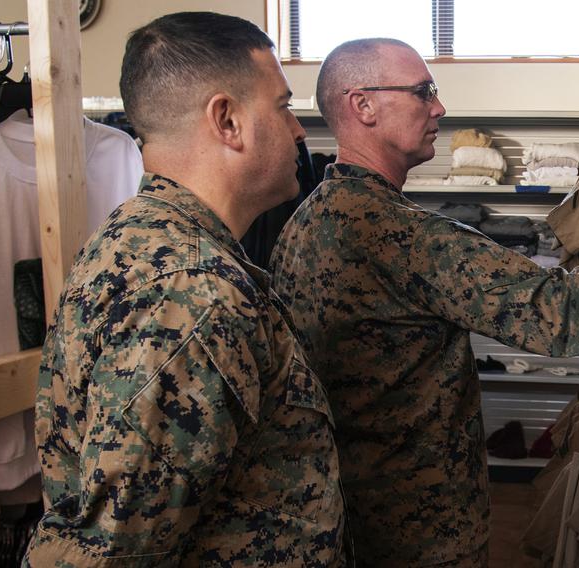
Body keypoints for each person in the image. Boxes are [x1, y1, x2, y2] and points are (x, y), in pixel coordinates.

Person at [269, 38, 579, 567]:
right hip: (417, 527)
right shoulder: (402, 234)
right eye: (422, 91)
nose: (439, 107)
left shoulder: (307, 220)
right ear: (363, 105)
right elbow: (562, 313)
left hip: (345, 512)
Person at [24, 12, 346, 567]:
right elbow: (107, 551)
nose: (299, 131)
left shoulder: (146, 236)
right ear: (227, 120)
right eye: (284, 106)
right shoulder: (190, 293)